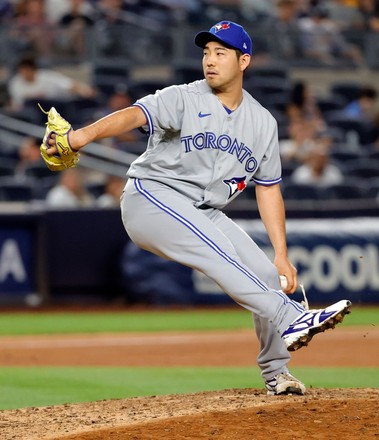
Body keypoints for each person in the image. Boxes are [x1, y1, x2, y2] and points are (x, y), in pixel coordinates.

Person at [44, 21, 351, 395]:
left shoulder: (263, 124)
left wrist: (282, 254)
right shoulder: (185, 97)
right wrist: (79, 137)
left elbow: (269, 189)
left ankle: (277, 372)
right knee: (219, 253)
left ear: (244, 61)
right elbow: (135, 115)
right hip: (151, 197)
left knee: (265, 274)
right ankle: (290, 316)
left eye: (220, 52)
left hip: (203, 210)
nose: (210, 60)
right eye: (206, 52)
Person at [7, 56, 96, 112]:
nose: (24, 73)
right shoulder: (15, 83)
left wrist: (85, 90)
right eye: (22, 70)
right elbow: (18, 102)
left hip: (59, 107)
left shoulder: (46, 76)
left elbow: (68, 84)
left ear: (33, 69)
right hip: (33, 113)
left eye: (27, 70)